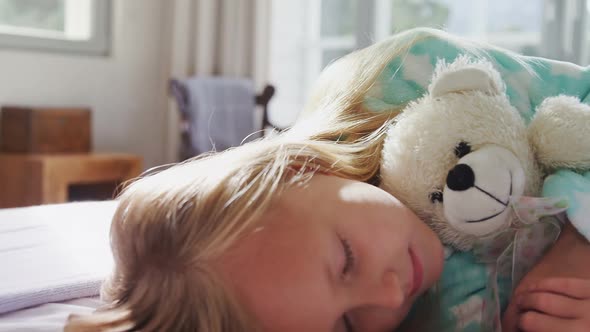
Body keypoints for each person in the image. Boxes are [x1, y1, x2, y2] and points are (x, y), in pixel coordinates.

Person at [65, 28, 590, 331]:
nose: (386, 297)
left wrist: (577, 239)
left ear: (299, 168)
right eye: (346, 327)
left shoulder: (403, 79)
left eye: (346, 259)